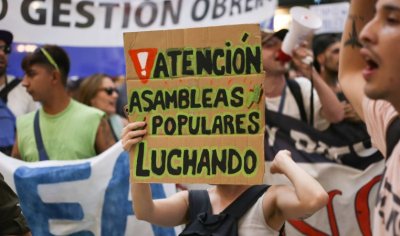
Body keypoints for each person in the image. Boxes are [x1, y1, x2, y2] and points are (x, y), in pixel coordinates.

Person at [121, 121, 329, 235]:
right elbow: (145, 211)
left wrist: (284, 162)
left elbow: (316, 198)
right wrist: (137, 157)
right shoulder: (193, 201)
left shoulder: (267, 200)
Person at [339, 0, 400, 234]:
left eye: (392, 20)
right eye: (373, 16)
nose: (365, 33)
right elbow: (351, 72)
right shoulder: (398, 133)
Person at [11, 45, 115, 161]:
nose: (24, 82)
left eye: (31, 74)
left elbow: (115, 171)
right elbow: (14, 176)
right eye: (24, 75)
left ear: (54, 77)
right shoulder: (23, 124)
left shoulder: (94, 119)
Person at [262, 30, 344, 132]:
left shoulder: (301, 87)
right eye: (270, 45)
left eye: (283, 44)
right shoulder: (244, 98)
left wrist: (311, 72)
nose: (283, 49)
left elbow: (336, 116)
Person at [0, 30, 38, 155]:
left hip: (10, 168)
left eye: (6, 49)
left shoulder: (24, 89)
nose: (1, 53)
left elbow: (36, 132)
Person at [312, 33, 361, 122]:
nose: (342, 56)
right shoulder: (310, 91)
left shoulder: (351, 87)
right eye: (336, 52)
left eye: (343, 51)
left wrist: (360, 114)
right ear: (321, 58)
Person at [77, 73, 128, 140]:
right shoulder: (78, 127)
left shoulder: (123, 124)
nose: (115, 95)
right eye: (109, 91)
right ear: (91, 94)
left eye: (116, 91)